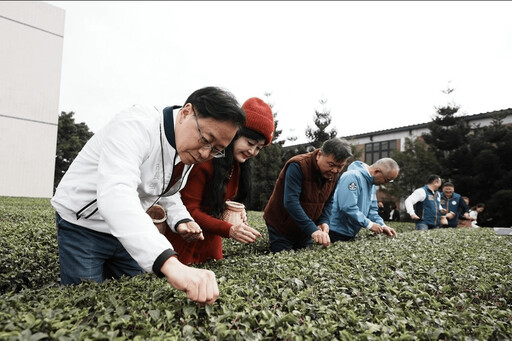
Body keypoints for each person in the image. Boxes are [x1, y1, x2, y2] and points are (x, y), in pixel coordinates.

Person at [51, 86, 246, 305]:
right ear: (186, 112)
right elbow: (117, 193)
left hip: (127, 231)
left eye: (216, 149)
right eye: (206, 139)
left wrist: (181, 220)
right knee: (85, 305)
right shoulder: (136, 125)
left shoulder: (187, 147)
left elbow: (164, 188)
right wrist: (172, 264)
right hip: (83, 226)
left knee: (138, 299)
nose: (205, 153)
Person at [166, 97, 275, 264]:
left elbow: (221, 202)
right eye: (250, 143)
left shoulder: (239, 166)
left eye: (259, 148)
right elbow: (190, 209)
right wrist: (229, 229)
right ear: (234, 134)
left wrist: (235, 213)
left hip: (211, 241)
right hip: (186, 238)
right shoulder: (205, 159)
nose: (252, 151)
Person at [263, 138, 353, 252]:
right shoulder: (298, 165)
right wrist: (312, 229)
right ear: (319, 154)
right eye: (331, 165)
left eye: (340, 166)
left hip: (305, 229)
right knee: (284, 259)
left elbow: (329, 201)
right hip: (282, 226)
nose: (335, 170)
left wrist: (324, 221)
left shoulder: (333, 174)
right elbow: (291, 202)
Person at [329, 158, 399, 242]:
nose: (385, 184)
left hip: (350, 233)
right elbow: (347, 206)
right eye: (386, 180)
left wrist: (382, 225)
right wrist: (369, 224)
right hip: (335, 231)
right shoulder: (352, 177)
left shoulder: (372, 184)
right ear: (377, 171)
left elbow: (372, 210)